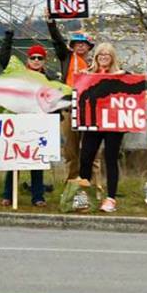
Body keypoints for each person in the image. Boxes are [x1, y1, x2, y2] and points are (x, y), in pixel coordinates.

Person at [46, 12, 100, 183]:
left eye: (84, 44)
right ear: (72, 46)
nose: (80, 47)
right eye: (77, 44)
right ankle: (71, 184)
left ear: (90, 47)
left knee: (92, 150)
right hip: (69, 108)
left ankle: (93, 185)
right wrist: (51, 23)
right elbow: (57, 42)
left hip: (90, 111)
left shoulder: (97, 63)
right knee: (70, 150)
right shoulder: (68, 58)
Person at [0, 32, 48, 207]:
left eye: (39, 58)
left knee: (37, 161)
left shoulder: (49, 79)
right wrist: (8, 39)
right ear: (28, 59)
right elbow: (4, 60)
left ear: (44, 61)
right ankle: (8, 195)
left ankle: (38, 196)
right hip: (18, 122)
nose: (36, 60)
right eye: (33, 57)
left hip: (39, 124)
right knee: (14, 160)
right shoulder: (19, 74)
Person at [77, 42, 127, 213]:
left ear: (112, 57)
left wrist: (126, 74)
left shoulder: (121, 74)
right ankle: (83, 194)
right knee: (85, 157)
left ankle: (111, 198)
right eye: (100, 54)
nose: (104, 57)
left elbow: (142, 86)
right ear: (96, 57)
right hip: (93, 123)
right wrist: (82, 78)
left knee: (111, 159)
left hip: (113, 124)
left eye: (107, 54)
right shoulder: (89, 75)